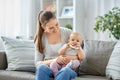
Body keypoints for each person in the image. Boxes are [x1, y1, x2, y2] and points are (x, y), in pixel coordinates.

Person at [34, 10, 84, 80]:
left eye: (57, 24)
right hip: (50, 68)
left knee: (65, 71)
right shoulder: (40, 39)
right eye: (51, 28)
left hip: (67, 67)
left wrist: (71, 58)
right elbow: (38, 64)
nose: (56, 29)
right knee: (41, 68)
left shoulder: (68, 33)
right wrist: (55, 60)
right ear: (43, 27)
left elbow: (80, 55)